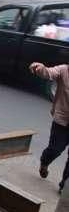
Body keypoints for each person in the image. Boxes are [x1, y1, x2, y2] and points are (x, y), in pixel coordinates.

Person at [32, 62, 69, 192]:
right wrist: (40, 68)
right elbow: (49, 72)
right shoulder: (64, 70)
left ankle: (64, 185)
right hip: (62, 121)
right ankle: (45, 162)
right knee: (55, 149)